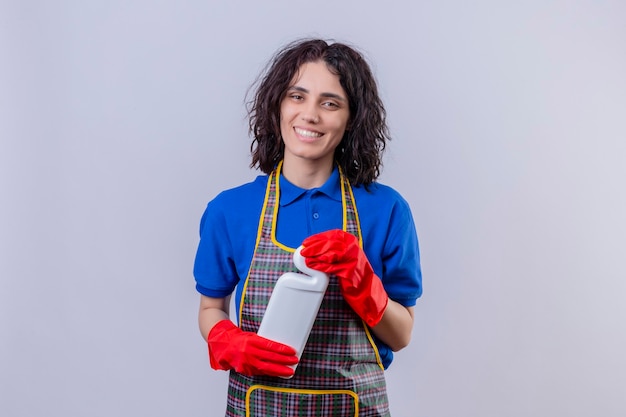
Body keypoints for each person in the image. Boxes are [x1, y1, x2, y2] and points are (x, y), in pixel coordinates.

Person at [193, 38, 422, 417]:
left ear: (352, 118)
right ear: (277, 105)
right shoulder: (230, 210)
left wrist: (364, 283)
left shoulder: (386, 210)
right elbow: (210, 309)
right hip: (258, 406)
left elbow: (401, 335)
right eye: (297, 97)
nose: (310, 115)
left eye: (329, 103)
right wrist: (225, 337)